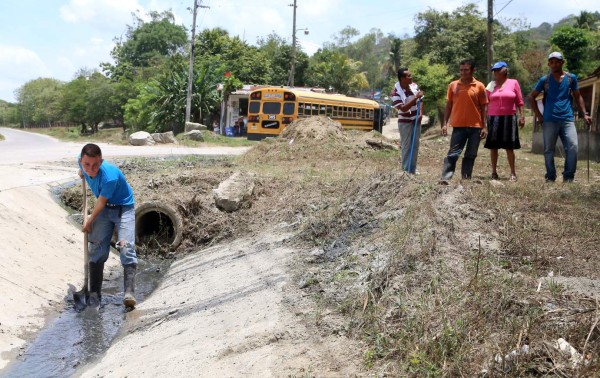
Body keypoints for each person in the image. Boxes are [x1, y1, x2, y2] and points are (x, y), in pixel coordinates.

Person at [78, 143, 137, 308]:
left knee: (126, 247)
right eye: (86, 165)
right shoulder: (81, 161)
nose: (91, 168)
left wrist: (89, 222)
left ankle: (129, 293)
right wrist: (81, 172)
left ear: (101, 161)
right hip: (104, 210)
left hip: (122, 208)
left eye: (95, 164)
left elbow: (101, 203)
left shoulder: (109, 177)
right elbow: (84, 168)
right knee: (96, 248)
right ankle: (95, 294)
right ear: (81, 160)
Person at [528, 51, 593, 182]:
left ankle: (568, 177)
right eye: (551, 62)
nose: (554, 64)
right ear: (549, 64)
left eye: (557, 62)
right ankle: (550, 177)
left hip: (567, 119)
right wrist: (539, 116)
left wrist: (584, 114)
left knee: (573, 147)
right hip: (549, 120)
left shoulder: (571, 78)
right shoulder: (544, 80)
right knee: (548, 150)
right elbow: (531, 97)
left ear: (562, 63)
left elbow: (577, 95)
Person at [440, 59, 488, 182]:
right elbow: (449, 105)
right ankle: (445, 178)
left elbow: (484, 107)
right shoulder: (453, 85)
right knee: (453, 154)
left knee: (470, 155)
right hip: (458, 126)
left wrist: (484, 126)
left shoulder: (480, 86)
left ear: (473, 70)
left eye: (466, 70)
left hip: (475, 127)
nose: (463, 72)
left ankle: (466, 179)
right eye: (461, 70)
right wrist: (444, 124)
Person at [484, 61, 525, 182]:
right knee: (493, 146)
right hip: (493, 118)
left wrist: (522, 117)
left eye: (498, 69)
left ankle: (512, 173)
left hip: (509, 117)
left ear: (505, 70)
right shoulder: (491, 84)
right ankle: (494, 172)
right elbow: (485, 103)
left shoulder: (514, 83)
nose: (495, 72)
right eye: (494, 70)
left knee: (509, 147)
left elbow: (520, 101)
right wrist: (483, 121)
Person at [391, 67, 424, 174]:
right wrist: (415, 98)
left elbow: (421, 100)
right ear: (402, 79)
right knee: (406, 146)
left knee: (415, 145)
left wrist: (420, 114)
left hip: (416, 120)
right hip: (404, 122)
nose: (411, 77)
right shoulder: (395, 93)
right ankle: (405, 169)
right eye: (408, 76)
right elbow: (403, 108)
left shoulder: (414, 86)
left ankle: (413, 168)